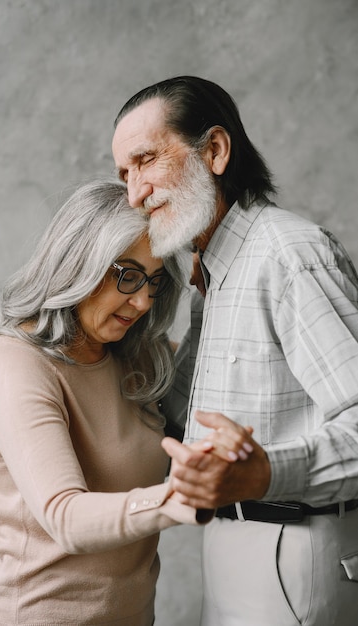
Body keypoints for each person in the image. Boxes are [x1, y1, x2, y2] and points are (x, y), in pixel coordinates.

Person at [112, 76, 358, 626]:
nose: (134, 194)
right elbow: (175, 423)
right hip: (233, 547)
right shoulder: (214, 274)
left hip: (292, 552)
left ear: (216, 152)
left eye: (146, 160)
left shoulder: (288, 254)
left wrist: (265, 472)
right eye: (124, 174)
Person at [0, 179, 253, 626]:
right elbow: (65, 516)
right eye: (128, 275)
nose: (141, 301)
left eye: (153, 280)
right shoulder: (15, 366)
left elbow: (223, 380)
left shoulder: (135, 355)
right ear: (79, 261)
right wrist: (176, 500)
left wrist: (208, 296)